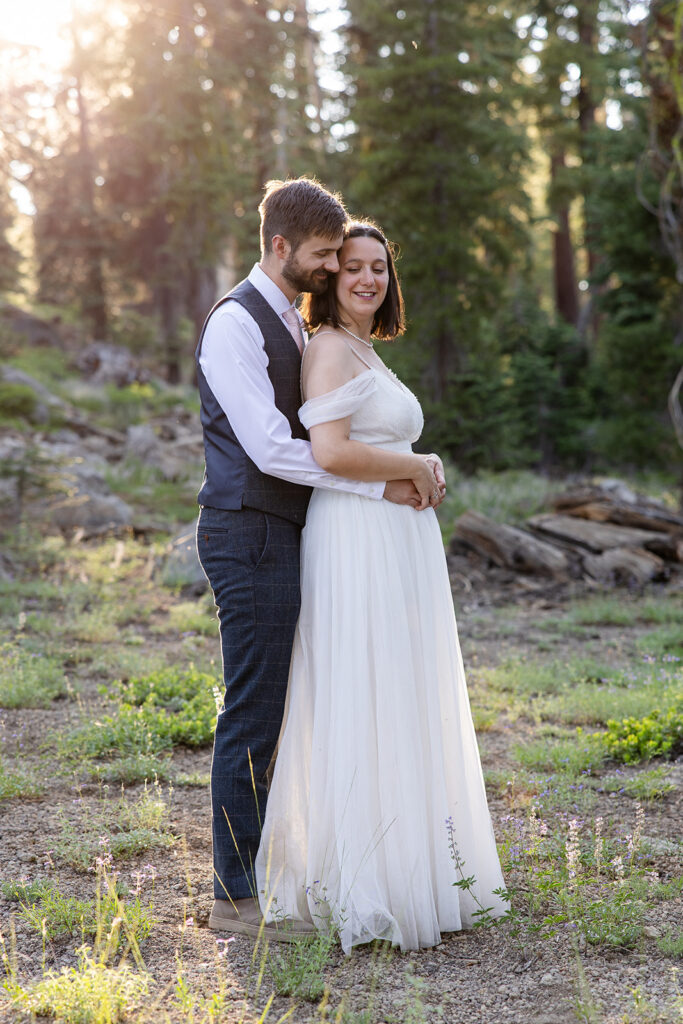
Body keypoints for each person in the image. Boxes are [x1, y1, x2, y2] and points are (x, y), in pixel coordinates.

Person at [195, 179, 444, 941]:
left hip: (291, 530)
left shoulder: (295, 326)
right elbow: (271, 449)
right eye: (326, 254)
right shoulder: (233, 325)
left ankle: (305, 861)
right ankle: (232, 897)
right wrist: (381, 488)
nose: (336, 267)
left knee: (294, 700)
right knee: (255, 708)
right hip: (248, 532)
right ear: (281, 246)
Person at [254, 220, 508, 952]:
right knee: (366, 687)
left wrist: (418, 466)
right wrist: (411, 467)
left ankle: (419, 866)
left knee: (401, 689)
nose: (367, 278)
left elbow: (378, 442)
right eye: (352, 267)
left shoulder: (365, 349)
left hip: (397, 537)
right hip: (358, 537)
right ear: (329, 279)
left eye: (378, 267)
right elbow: (327, 451)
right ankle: (367, 879)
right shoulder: (330, 348)